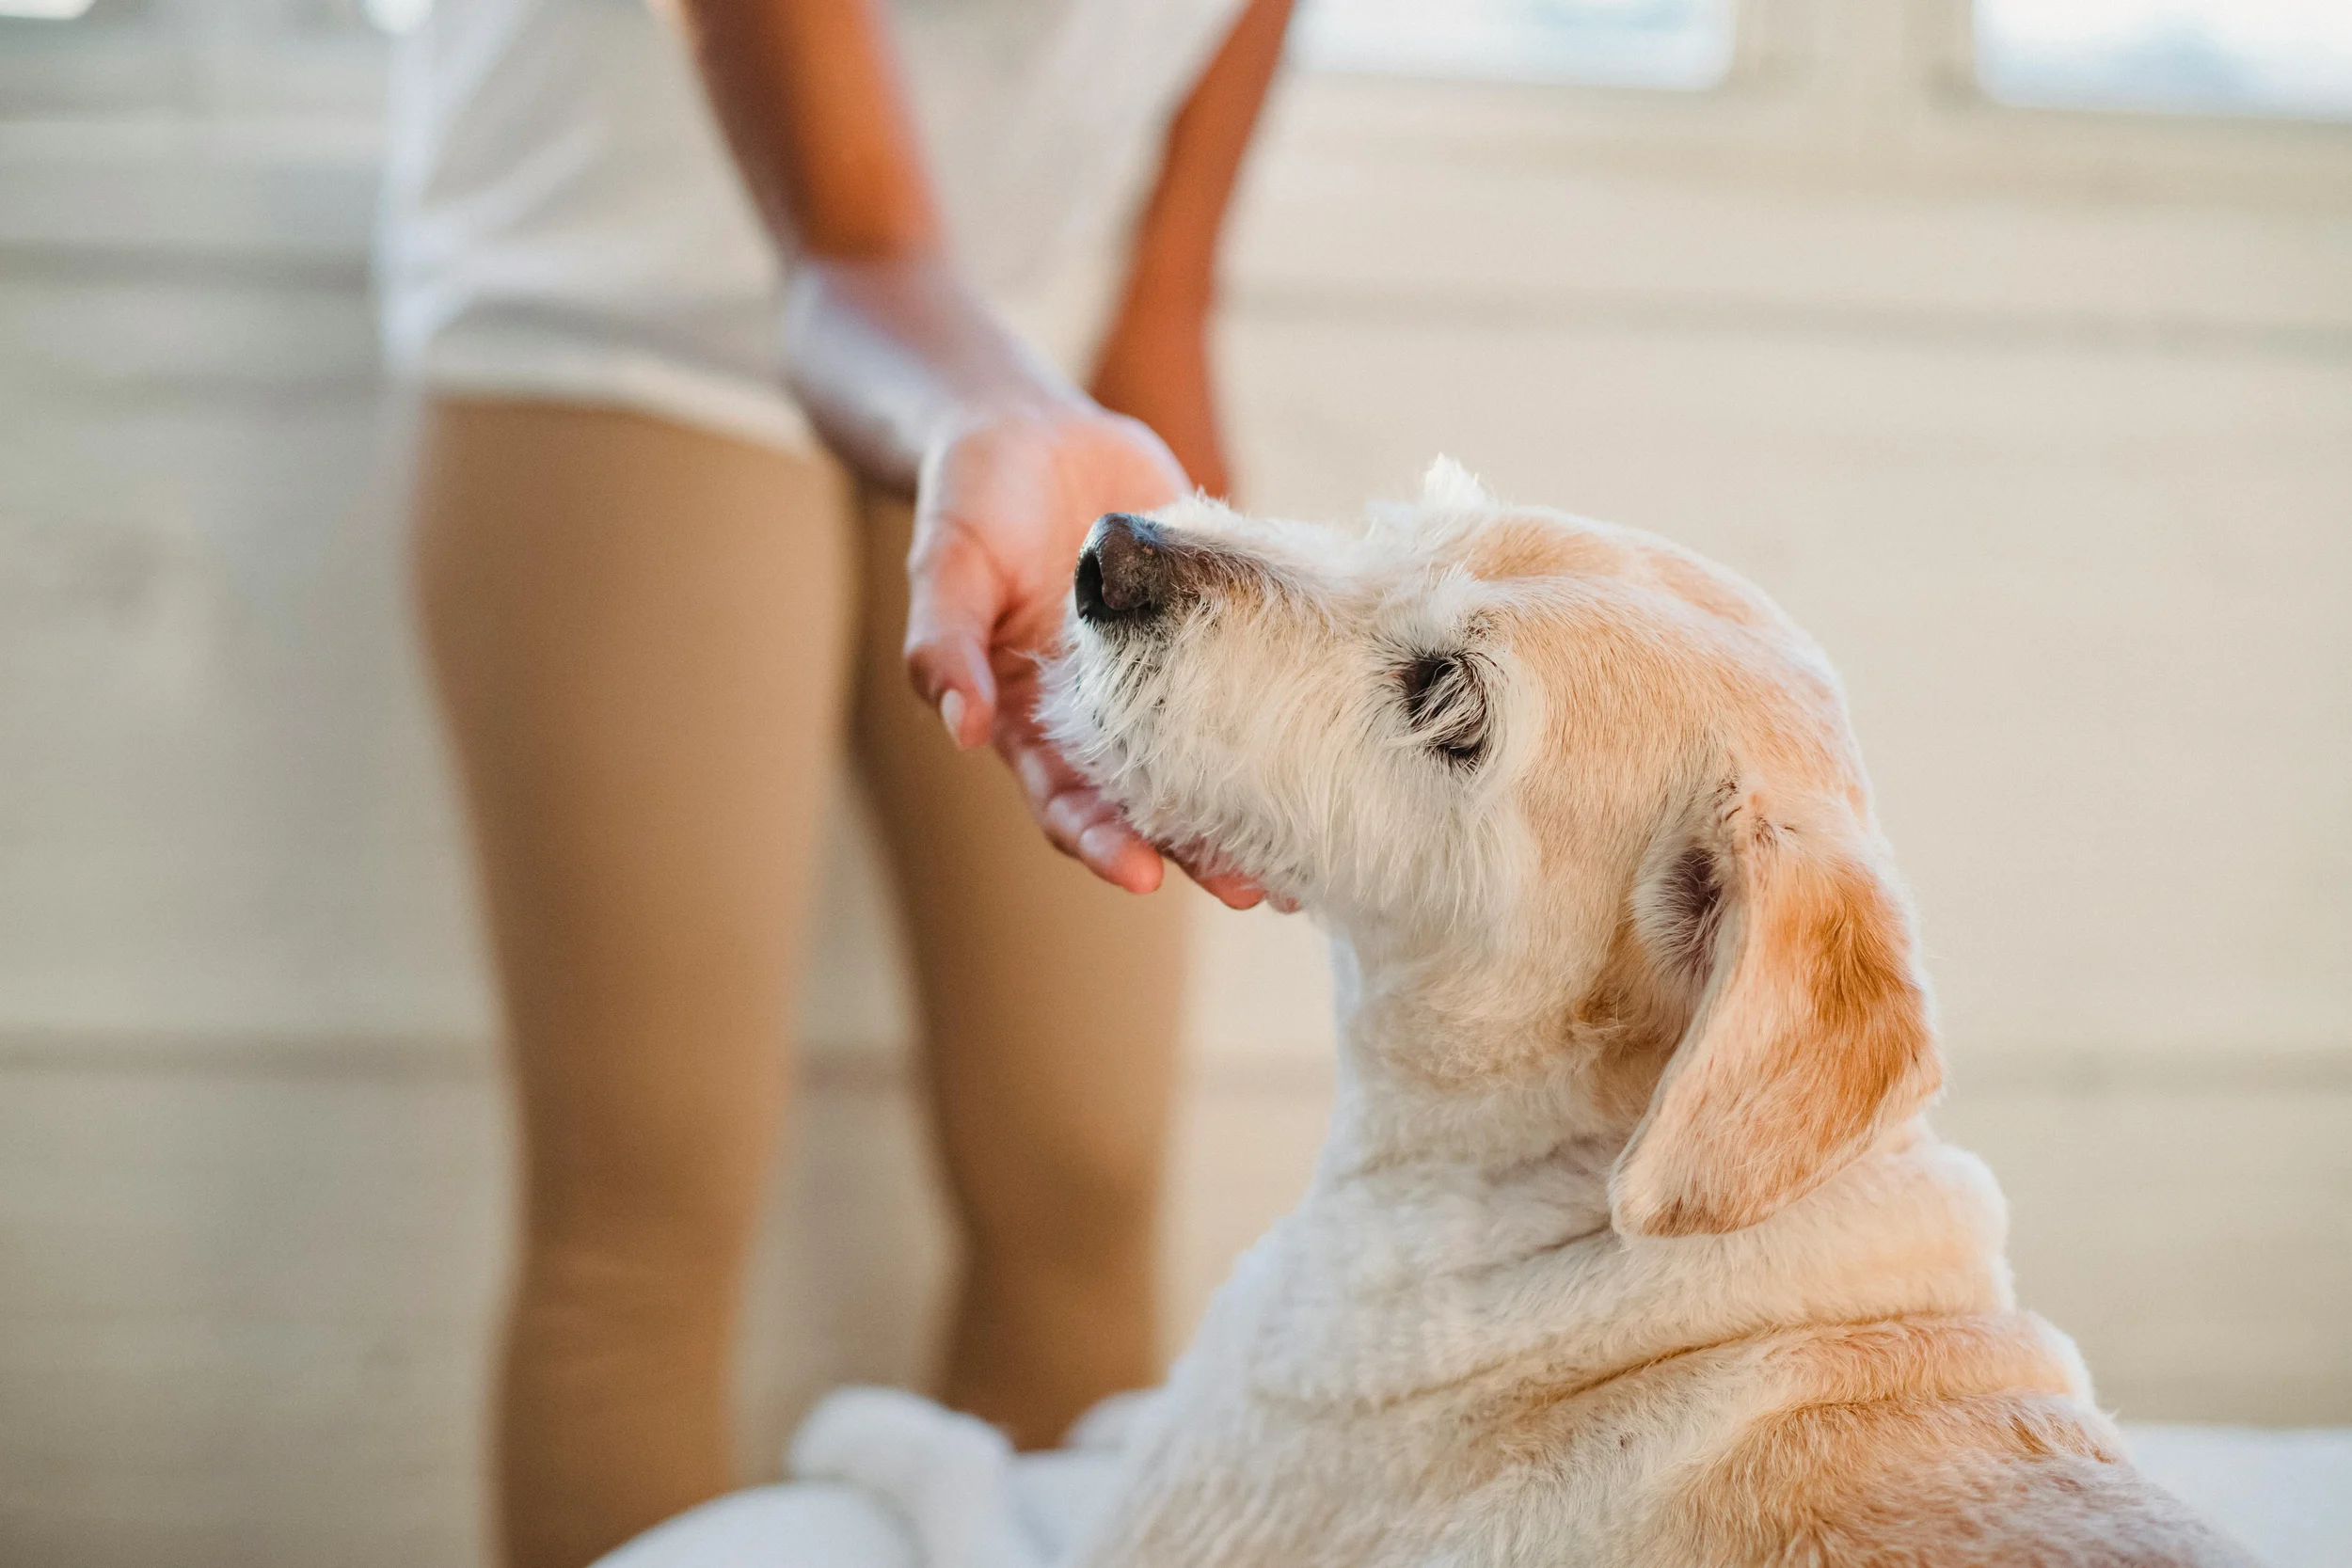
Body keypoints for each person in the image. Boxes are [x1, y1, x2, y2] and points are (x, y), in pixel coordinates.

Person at [375, 0, 1294, 1563]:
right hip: (627, 296)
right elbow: (857, 248)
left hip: (1028, 332)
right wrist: (1003, 412)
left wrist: (1162, 305)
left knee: (1080, 1167)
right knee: (648, 1207)